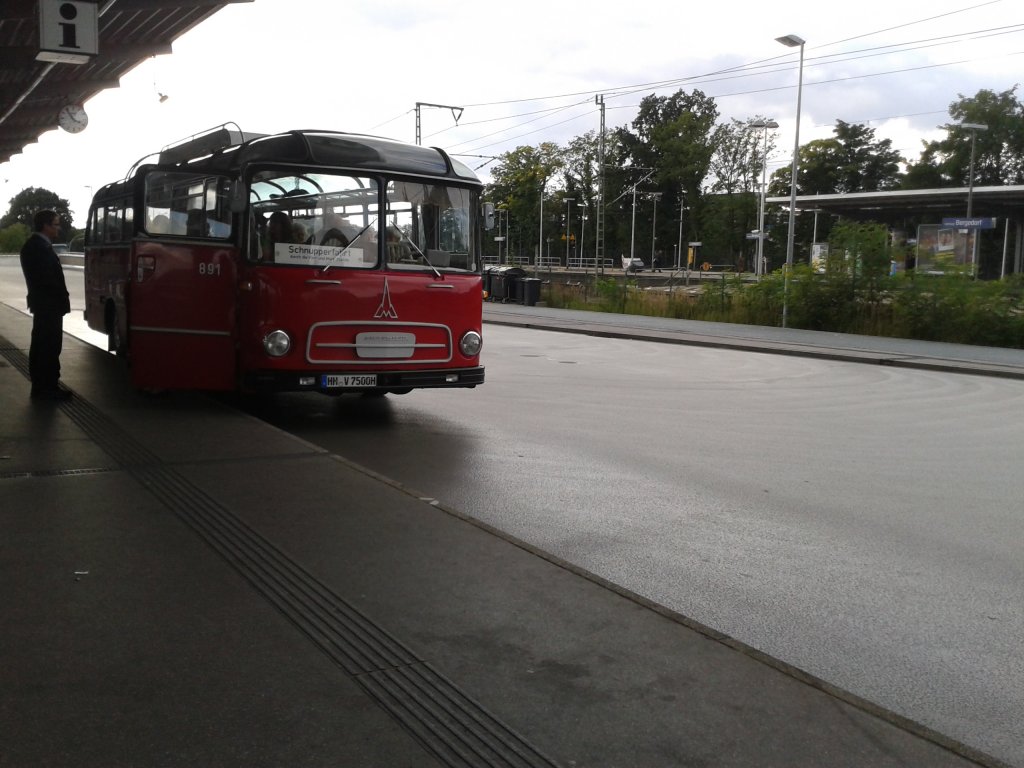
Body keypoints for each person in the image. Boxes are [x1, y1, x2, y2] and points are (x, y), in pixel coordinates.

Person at [20, 210, 72, 400]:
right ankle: (47, 387)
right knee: (48, 346)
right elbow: (47, 280)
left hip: (45, 305)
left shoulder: (35, 246)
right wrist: (61, 297)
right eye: (56, 224)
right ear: (46, 226)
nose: (59, 228)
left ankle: (44, 385)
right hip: (48, 306)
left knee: (44, 344)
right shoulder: (39, 248)